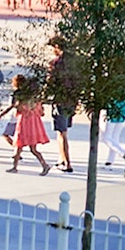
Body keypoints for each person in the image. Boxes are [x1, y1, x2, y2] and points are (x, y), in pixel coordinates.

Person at [3, 75, 52, 175]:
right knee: (32, 148)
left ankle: (15, 167)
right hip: (34, 124)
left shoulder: (21, 98)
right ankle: (44, 165)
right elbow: (41, 113)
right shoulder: (34, 99)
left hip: (24, 123)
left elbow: (19, 109)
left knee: (19, 145)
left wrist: (12, 109)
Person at [47, 36, 80, 172]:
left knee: (62, 133)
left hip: (60, 100)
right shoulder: (75, 62)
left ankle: (67, 163)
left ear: (57, 47)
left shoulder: (55, 63)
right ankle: (61, 158)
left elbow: (50, 83)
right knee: (63, 130)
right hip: (72, 100)